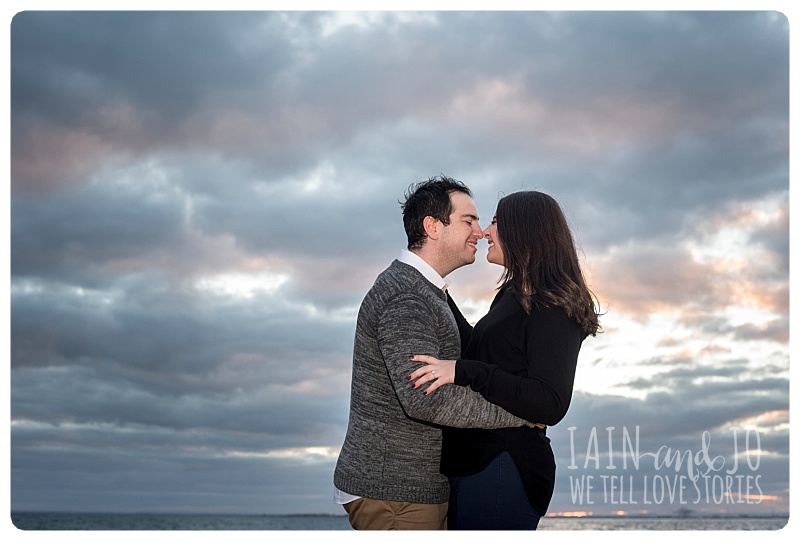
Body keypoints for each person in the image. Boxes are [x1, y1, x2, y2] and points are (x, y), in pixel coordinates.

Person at [333, 176, 537, 530]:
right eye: (468, 220)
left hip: (410, 488)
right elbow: (426, 399)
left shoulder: (426, 291)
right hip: (395, 491)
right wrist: (521, 413)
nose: (479, 231)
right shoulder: (406, 297)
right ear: (432, 226)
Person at [410, 190, 601, 530]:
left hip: (505, 467)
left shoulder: (552, 305)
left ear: (522, 229)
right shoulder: (514, 295)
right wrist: (434, 285)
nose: (484, 232)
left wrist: (463, 371)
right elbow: (479, 349)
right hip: (475, 463)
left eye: (495, 221)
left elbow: (549, 402)